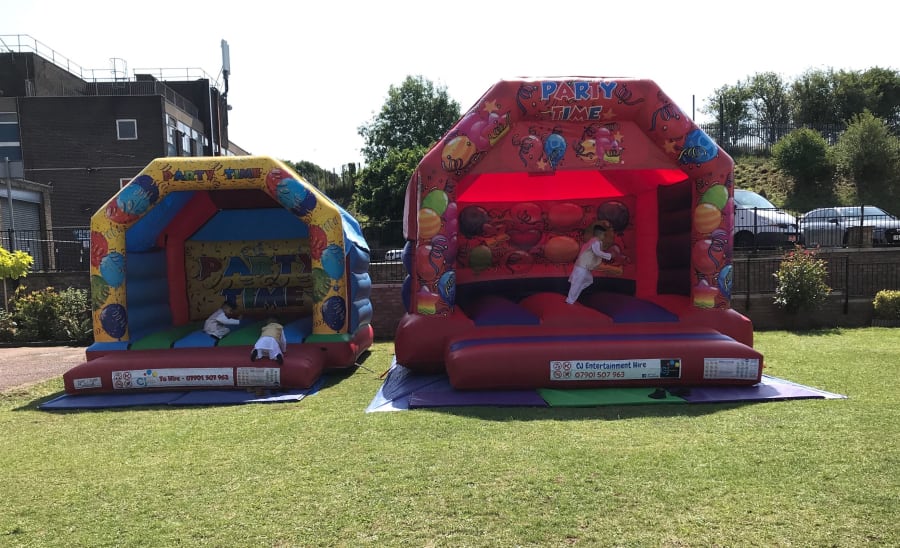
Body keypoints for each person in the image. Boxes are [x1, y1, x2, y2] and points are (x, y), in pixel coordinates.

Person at [566, 222, 613, 304]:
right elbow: (597, 252)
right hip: (582, 267)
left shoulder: (591, 241)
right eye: (603, 235)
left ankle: (573, 295)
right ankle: (570, 301)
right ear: (600, 234)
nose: (604, 236)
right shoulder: (595, 242)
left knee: (588, 280)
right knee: (577, 284)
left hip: (582, 266)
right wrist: (609, 255)